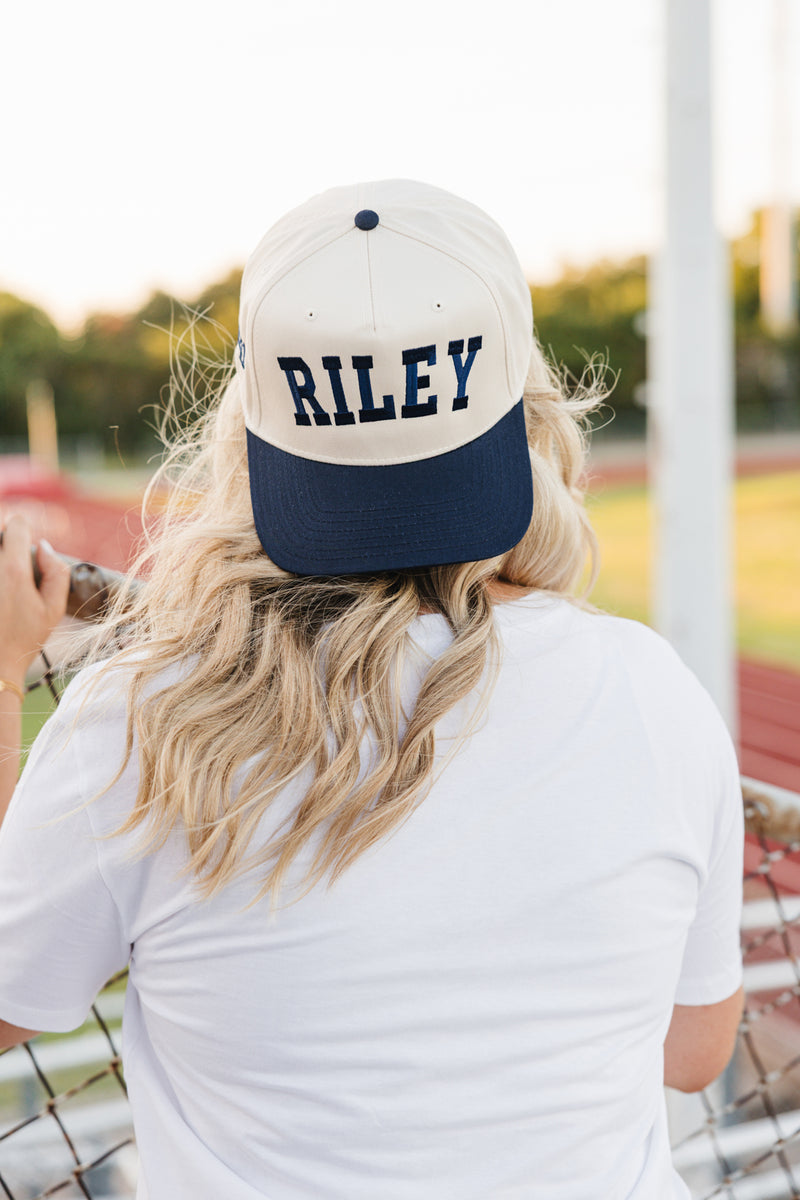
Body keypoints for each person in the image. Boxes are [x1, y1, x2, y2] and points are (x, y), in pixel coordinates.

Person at [0, 180, 743, 1199]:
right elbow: (692, 1049)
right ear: (523, 415)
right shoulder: (652, 688)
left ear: (251, 434)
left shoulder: (145, 714)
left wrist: (6, 677)